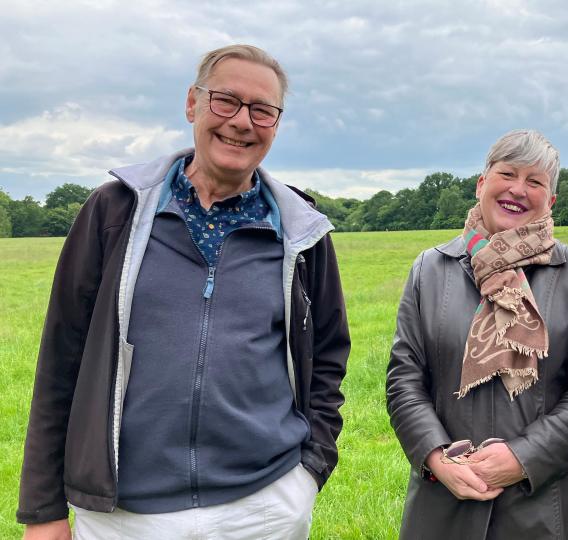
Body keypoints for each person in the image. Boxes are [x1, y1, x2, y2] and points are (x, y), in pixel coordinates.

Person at [17, 44, 350, 539]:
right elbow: (61, 359)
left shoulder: (302, 232)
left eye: (263, 110)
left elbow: (327, 355)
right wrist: (43, 511)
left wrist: (307, 473)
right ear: (192, 104)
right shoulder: (113, 212)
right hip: (124, 517)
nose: (242, 121)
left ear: (276, 124)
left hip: (263, 507)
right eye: (226, 101)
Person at [386, 129, 568, 539]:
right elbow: (404, 379)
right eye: (507, 173)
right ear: (481, 184)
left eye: (535, 181)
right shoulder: (430, 269)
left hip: (543, 506)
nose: (518, 189)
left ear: (551, 200)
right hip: (444, 500)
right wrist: (437, 459)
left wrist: (522, 457)